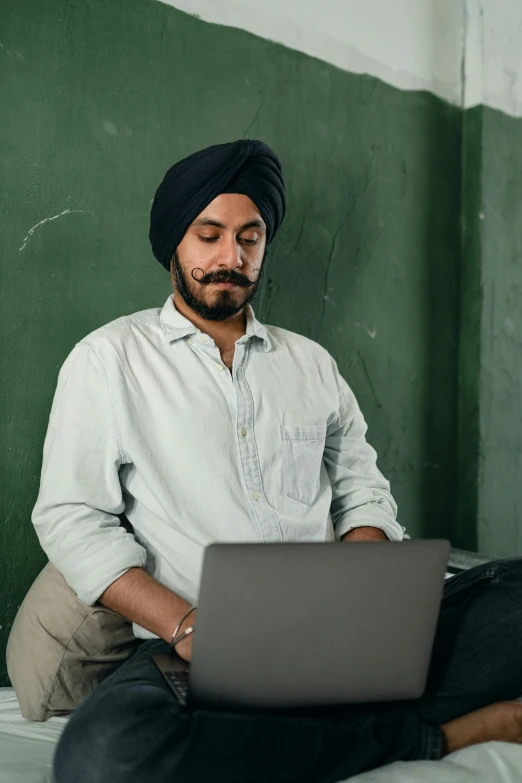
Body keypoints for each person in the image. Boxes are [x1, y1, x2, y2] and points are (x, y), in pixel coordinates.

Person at [28, 140, 522, 783]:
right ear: (174, 242)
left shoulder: (310, 363)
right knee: (105, 756)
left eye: (250, 238)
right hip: (193, 653)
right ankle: (437, 735)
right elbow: (71, 517)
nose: (231, 258)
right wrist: (185, 626)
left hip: (344, 641)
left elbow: (360, 486)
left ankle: (314, 723)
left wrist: (368, 585)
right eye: (209, 235)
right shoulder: (109, 360)